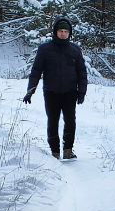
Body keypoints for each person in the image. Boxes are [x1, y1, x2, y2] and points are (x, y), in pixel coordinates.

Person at [23, 17, 87, 160]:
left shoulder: (75, 50)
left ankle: (68, 150)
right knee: (53, 120)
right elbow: (36, 71)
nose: (63, 33)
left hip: (70, 92)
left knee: (70, 121)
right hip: (51, 92)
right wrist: (30, 91)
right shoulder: (45, 49)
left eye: (66, 31)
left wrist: (82, 91)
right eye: (60, 31)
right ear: (55, 32)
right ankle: (55, 151)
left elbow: (82, 72)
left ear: (69, 33)